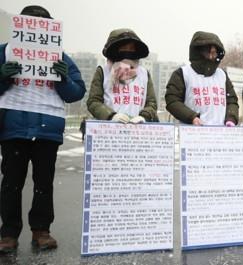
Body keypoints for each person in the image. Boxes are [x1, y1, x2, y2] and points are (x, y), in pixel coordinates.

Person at [0, 5, 86, 252]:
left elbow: (76, 92)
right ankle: (8, 233)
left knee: (43, 182)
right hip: (14, 125)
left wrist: (64, 79)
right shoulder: (4, 53)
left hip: (48, 126)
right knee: (11, 183)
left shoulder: (60, 58)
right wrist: (2, 75)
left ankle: (41, 230)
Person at [165, 31, 238, 126]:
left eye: (215, 53)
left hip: (221, 134)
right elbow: (172, 101)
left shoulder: (222, 75)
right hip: (193, 132)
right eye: (209, 52)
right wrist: (192, 117)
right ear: (199, 52)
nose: (213, 56)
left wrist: (231, 118)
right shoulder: (182, 74)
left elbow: (231, 100)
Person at [87, 29, 158, 123]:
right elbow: (93, 101)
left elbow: (151, 103)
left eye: (131, 48)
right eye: (124, 48)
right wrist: (110, 115)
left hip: (139, 130)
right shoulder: (103, 71)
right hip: (108, 130)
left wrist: (144, 116)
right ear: (116, 49)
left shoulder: (143, 73)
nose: (128, 51)